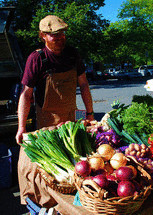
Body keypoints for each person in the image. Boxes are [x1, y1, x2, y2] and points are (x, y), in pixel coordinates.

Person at [16, 15, 94, 207]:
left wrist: (89, 115)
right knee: (53, 170)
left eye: (62, 33)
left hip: (73, 116)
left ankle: (81, 202)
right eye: (53, 35)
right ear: (42, 35)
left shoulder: (73, 54)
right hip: (48, 122)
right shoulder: (37, 58)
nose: (59, 37)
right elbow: (26, 95)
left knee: (80, 162)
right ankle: (53, 205)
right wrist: (21, 127)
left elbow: (83, 85)